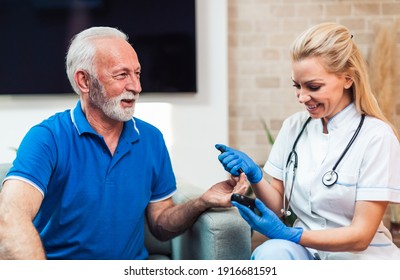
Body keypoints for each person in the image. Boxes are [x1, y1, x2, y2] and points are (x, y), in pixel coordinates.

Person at [0, 26, 248, 260]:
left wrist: (202, 201)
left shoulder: (151, 138)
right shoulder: (47, 137)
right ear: (84, 81)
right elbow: (10, 215)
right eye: (121, 75)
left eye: (137, 73)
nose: (136, 87)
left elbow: (160, 223)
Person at [216, 22, 400, 260]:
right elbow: (278, 210)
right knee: (272, 254)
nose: (302, 97)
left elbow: (361, 236)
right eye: (297, 86)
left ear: (347, 79)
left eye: (313, 86)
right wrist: (256, 176)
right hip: (307, 252)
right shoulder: (294, 126)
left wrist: (291, 234)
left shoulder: (376, 136)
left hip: (361, 260)